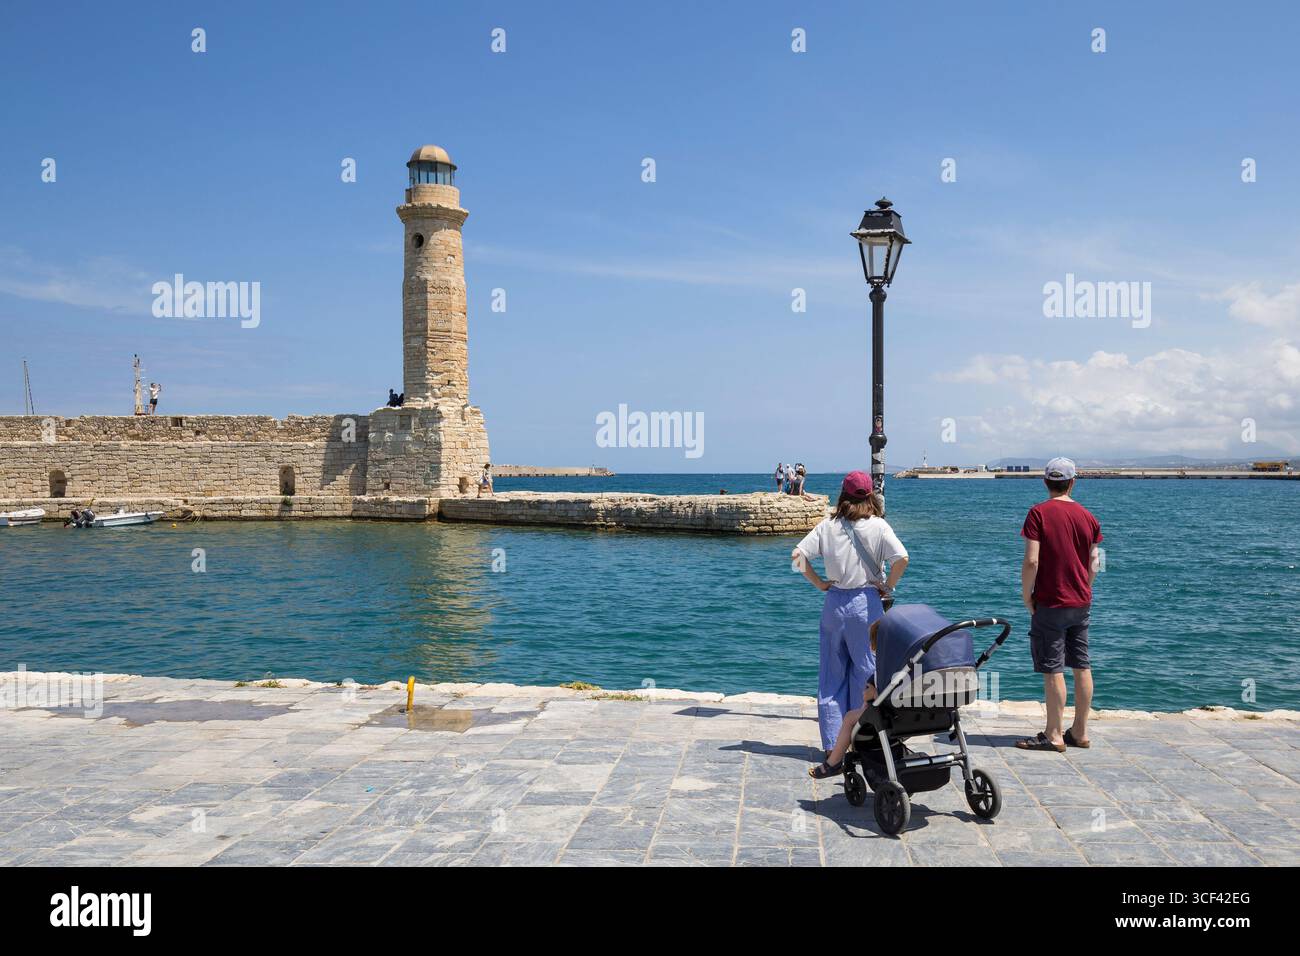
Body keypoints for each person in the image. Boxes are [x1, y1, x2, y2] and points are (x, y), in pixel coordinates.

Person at [792, 471, 909, 757]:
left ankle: (833, 745)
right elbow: (902, 558)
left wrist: (820, 583)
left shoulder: (828, 526)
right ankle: (861, 738)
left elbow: (797, 556)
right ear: (870, 495)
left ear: (843, 494)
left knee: (831, 675)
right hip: (866, 602)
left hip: (834, 603)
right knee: (866, 672)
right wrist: (888, 585)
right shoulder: (879, 526)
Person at [1016, 457, 1102, 753]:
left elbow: (1031, 560)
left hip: (1051, 602)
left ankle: (1054, 734)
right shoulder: (1088, 517)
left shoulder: (1038, 513)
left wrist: (1027, 595)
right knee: (1081, 665)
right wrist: (1085, 586)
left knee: (1053, 669)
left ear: (1045, 482)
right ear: (1073, 482)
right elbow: (1095, 561)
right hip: (1081, 601)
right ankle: (1080, 731)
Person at [810, 622, 882, 778]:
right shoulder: (904, 665)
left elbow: (870, 695)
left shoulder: (882, 670)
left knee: (848, 714)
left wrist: (871, 695)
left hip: (885, 713)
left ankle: (833, 760)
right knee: (864, 670)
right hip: (908, 711)